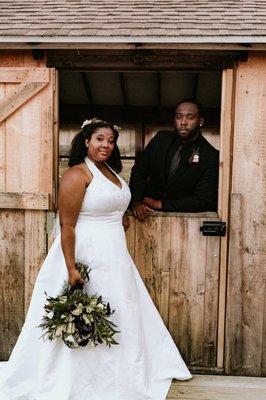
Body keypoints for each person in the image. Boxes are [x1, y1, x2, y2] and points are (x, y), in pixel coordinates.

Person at [0, 118, 191, 400]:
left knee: (121, 307)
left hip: (114, 253)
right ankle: (78, 377)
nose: (106, 145)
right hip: (86, 253)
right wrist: (70, 268)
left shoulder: (111, 171)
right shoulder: (77, 175)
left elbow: (110, 205)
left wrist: (120, 218)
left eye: (111, 141)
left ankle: (122, 372)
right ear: (87, 141)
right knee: (89, 311)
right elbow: (67, 225)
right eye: (100, 139)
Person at [129, 100, 219, 221]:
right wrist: (135, 201)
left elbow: (203, 200)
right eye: (179, 116)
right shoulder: (160, 139)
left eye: (190, 117)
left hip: (185, 222)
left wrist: (160, 204)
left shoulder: (210, 155)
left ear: (200, 121)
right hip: (145, 215)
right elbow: (139, 171)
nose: (183, 122)